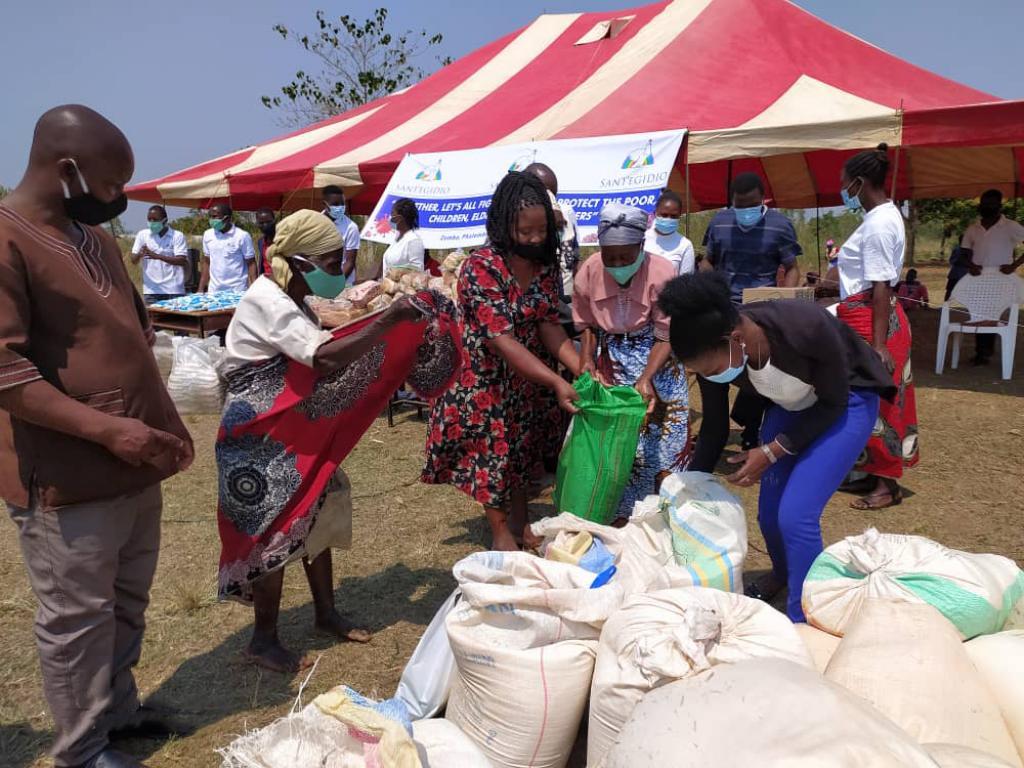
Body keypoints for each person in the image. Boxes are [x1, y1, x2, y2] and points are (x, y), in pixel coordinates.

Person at [0, 105, 193, 768]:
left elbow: (132, 341)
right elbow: (7, 374)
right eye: (111, 187)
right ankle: (81, 752)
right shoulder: (7, 239)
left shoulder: (95, 241)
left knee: (126, 599)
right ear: (67, 170)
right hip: (65, 474)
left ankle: (117, 712)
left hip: (132, 460)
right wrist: (108, 430)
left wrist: (161, 427)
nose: (118, 202)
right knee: (76, 621)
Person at [217, 210, 461, 673]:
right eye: (330, 265)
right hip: (258, 436)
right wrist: (390, 320)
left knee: (318, 504)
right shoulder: (267, 300)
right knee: (276, 526)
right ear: (300, 261)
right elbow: (323, 357)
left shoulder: (296, 297)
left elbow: (325, 335)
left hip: (287, 432)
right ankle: (262, 639)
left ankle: (325, 612)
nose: (338, 274)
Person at [658, 271, 893, 621]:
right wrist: (689, 487)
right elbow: (714, 427)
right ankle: (784, 574)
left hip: (846, 401)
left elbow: (833, 402)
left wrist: (771, 451)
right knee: (769, 514)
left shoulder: (805, 326)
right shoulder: (715, 353)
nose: (710, 377)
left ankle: (805, 613)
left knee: (796, 515)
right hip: (791, 403)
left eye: (711, 369)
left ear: (735, 338)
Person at [422, 171, 581, 552]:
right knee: (492, 455)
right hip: (484, 380)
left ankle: (521, 522)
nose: (534, 239)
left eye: (541, 230)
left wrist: (578, 367)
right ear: (505, 225)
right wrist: (557, 382)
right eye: (525, 232)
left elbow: (547, 324)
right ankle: (500, 532)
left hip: (527, 379)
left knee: (523, 450)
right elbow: (501, 338)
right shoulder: (481, 268)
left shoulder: (542, 267)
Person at [573, 203, 690, 517]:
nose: (618, 264)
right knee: (623, 448)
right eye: (610, 256)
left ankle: (666, 516)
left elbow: (666, 334)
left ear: (641, 246)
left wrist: (647, 377)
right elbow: (586, 324)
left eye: (626, 256)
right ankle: (624, 517)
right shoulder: (590, 271)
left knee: (662, 446)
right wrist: (588, 361)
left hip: (659, 363)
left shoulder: (664, 272)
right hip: (614, 363)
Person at [691, 173, 802, 466]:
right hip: (720, 317)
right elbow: (709, 261)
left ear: (763, 199)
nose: (746, 211)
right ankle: (706, 455)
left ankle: (754, 437)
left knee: (760, 382)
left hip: (760, 318)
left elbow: (791, 266)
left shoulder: (781, 225)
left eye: (752, 205)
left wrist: (785, 301)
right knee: (713, 382)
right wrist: (704, 289)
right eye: (740, 206)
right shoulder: (719, 222)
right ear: (732, 203)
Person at [835, 142, 919, 510]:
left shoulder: (881, 224)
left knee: (883, 405)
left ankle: (887, 485)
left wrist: (878, 342)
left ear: (858, 182)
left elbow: (881, 286)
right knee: (865, 401)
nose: (843, 192)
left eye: (844, 185)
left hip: (872, 321)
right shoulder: (879, 218)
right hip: (863, 314)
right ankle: (872, 472)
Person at [959, 189, 1024, 365]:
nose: (987, 206)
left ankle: (986, 352)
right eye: (984, 203)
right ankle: (981, 352)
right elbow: (963, 253)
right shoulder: (973, 228)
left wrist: (1014, 266)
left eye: (991, 203)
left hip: (1001, 279)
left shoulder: (1011, 226)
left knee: (993, 315)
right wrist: (970, 265)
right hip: (978, 278)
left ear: (999, 206)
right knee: (979, 314)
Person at [525, 162, 580, 298]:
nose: (551, 199)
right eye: (544, 194)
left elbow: (574, 257)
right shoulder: (513, 220)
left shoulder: (566, 213)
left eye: (554, 195)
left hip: (567, 302)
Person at [130, 205, 188, 304]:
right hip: (151, 291)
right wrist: (140, 254)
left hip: (173, 290)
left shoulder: (177, 236)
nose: (151, 223)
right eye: (149, 219)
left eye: (155, 220)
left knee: (175, 319)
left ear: (164, 221)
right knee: (152, 319)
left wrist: (157, 256)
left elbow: (182, 260)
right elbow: (133, 260)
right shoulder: (142, 235)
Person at [199, 203, 257, 293]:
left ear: (227, 218)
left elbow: (251, 263)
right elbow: (207, 262)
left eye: (215, 217)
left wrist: (254, 289)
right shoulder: (208, 235)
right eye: (210, 217)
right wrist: (201, 288)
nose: (211, 220)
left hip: (237, 290)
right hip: (214, 291)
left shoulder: (242, 236)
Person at [643, 189, 695, 276]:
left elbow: (686, 282)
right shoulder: (642, 239)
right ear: (655, 213)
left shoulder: (685, 245)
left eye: (673, 216)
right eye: (664, 215)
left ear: (679, 216)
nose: (668, 219)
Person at [322, 185, 361, 283]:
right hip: (319, 281)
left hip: (343, 282)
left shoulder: (351, 227)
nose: (339, 207)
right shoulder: (314, 222)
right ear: (325, 204)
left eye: (342, 203)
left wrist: (336, 284)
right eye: (335, 204)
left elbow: (349, 262)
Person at [380, 197, 425, 275]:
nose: (390, 218)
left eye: (392, 214)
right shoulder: (396, 239)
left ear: (400, 218)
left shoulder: (413, 240)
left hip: (402, 286)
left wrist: (397, 274)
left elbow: (417, 270)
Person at [255, 206, 277, 277]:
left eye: (268, 222)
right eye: (261, 223)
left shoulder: (283, 240)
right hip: (267, 281)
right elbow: (262, 263)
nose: (265, 225)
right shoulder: (261, 242)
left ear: (274, 221)